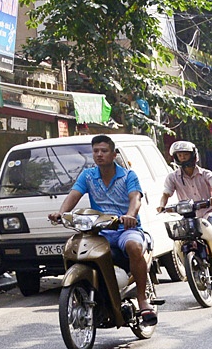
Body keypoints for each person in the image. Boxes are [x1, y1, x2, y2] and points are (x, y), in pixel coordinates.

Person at [49, 135, 155, 327]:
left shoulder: (128, 176)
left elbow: (135, 199)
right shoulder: (87, 176)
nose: (99, 155)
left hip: (125, 229)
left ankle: (142, 299)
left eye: (104, 151)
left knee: (133, 246)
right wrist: (61, 213)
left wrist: (130, 215)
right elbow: (73, 196)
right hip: (100, 232)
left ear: (114, 154)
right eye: (96, 151)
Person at [157, 140, 212, 280]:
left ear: (194, 156)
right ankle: (189, 267)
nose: (182, 158)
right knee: (178, 240)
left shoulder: (205, 174)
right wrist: (161, 205)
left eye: (185, 154)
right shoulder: (173, 177)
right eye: (179, 155)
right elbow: (166, 193)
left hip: (209, 213)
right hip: (189, 217)